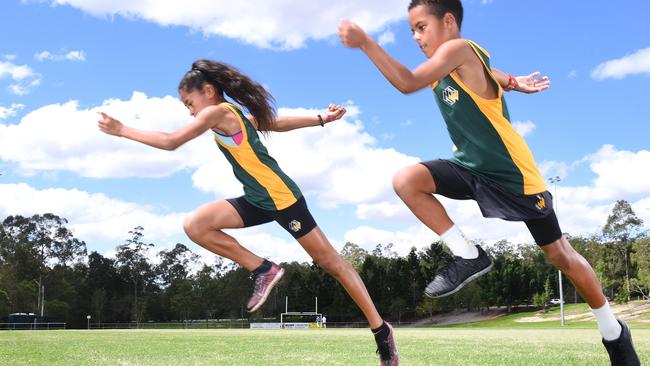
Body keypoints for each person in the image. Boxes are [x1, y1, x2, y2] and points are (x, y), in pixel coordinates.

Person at [338, 1, 639, 364]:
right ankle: (468, 254)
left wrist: (366, 42)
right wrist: (512, 81)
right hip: (471, 167)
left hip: (513, 175)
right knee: (407, 180)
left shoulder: (458, 48)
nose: (417, 38)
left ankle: (613, 330)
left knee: (560, 254)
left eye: (421, 27)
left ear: (448, 21)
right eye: (412, 31)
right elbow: (486, 72)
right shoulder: (450, 64)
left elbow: (406, 82)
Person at [97, 59, 398, 365]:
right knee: (196, 225)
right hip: (256, 198)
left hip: (281, 198)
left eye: (189, 103)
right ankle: (262, 268)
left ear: (209, 91)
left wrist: (122, 130)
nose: (189, 111)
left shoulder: (218, 112)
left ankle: (381, 330)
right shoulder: (235, 114)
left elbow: (171, 141)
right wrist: (321, 118)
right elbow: (275, 123)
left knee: (330, 262)